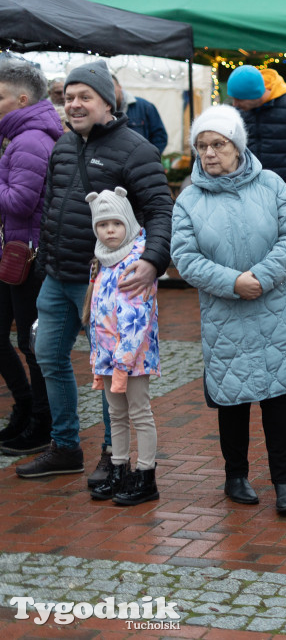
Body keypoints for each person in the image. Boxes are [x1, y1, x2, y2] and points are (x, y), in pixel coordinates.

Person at [16, 59, 173, 483]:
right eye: (69, 98)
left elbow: (161, 210)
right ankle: (65, 446)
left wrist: (153, 261)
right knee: (47, 355)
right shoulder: (63, 146)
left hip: (109, 284)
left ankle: (112, 453)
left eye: (85, 96)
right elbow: (50, 206)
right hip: (58, 276)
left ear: (108, 101)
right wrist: (45, 265)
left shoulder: (136, 149)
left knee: (107, 369)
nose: (75, 104)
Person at [171, 105, 286, 515]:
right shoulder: (189, 200)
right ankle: (236, 476)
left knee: (277, 398)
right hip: (224, 314)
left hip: (274, 308)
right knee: (232, 398)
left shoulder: (271, 184)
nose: (209, 153)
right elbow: (185, 257)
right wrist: (232, 283)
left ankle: (284, 481)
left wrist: (260, 277)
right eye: (202, 146)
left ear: (237, 145)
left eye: (218, 144)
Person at [84, 187, 160, 506]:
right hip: (107, 355)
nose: (110, 230)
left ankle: (146, 474)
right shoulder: (103, 258)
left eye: (116, 223)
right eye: (103, 225)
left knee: (139, 412)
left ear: (128, 222)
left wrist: (123, 359)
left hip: (132, 358)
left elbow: (137, 315)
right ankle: (119, 467)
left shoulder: (137, 261)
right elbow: (99, 312)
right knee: (115, 415)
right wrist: (100, 354)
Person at [0, 58, 60, 456]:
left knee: (31, 344)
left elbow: (20, 202)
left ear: (22, 99)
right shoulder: (17, 135)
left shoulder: (31, 139)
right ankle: (25, 409)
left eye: (0, 96)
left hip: (30, 257)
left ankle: (42, 422)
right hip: (15, 253)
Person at [113, 75, 168, 155]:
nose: (109, 91)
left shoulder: (145, 106)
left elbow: (160, 137)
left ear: (119, 87)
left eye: (112, 87)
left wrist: (149, 159)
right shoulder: (102, 111)